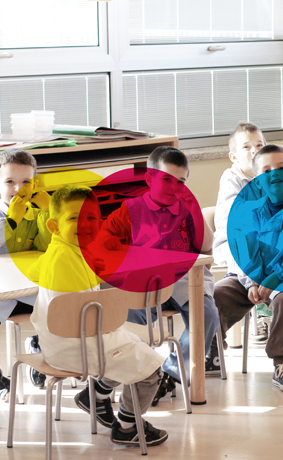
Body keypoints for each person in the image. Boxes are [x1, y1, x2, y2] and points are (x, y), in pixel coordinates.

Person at [28, 185, 168, 447]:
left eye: (91, 217)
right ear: (54, 226)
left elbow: (38, 270)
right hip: (78, 344)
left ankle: (95, 395)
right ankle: (127, 427)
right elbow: (94, 314)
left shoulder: (63, 251)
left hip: (60, 343)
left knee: (133, 346)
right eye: (74, 218)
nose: (85, 224)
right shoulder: (67, 257)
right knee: (151, 370)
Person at [96, 146, 218, 405]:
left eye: (181, 182)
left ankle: (170, 373)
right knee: (105, 314)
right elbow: (103, 244)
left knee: (207, 315)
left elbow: (207, 246)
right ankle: (112, 377)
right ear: (150, 179)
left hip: (186, 283)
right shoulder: (131, 210)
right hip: (144, 289)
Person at [210, 144, 283, 392]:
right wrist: (251, 281)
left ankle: (282, 364)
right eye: (266, 170)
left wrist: (274, 278)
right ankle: (212, 351)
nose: (274, 174)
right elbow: (243, 252)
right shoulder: (248, 211)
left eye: (281, 168)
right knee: (216, 295)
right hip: (250, 279)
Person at [0, 149, 52, 400]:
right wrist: (11, 220)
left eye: (26, 182)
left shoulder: (40, 211)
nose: (18, 188)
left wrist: (48, 216)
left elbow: (53, 245)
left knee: (67, 312)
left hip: (35, 294)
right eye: (10, 181)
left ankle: (39, 350)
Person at [210, 122, 269, 346]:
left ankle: (268, 312)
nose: (255, 150)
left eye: (259, 145)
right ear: (234, 156)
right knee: (220, 296)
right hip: (238, 250)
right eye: (246, 147)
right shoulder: (231, 181)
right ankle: (213, 345)